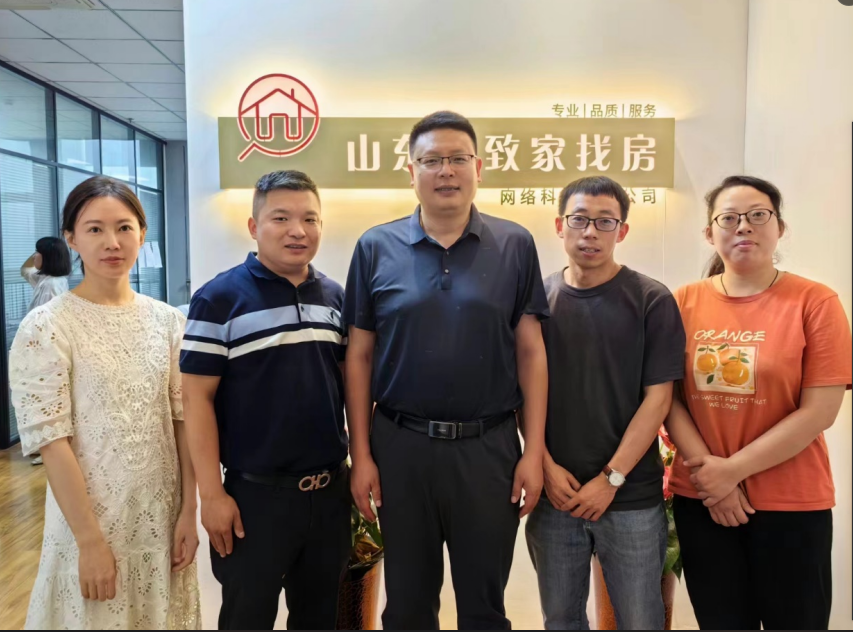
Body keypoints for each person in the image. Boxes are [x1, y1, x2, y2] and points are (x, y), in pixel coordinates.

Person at [344, 111, 549, 630]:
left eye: (458, 158)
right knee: (408, 606)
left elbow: (531, 352)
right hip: (401, 448)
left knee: (484, 606)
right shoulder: (375, 246)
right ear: (411, 170)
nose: (446, 171)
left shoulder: (515, 244)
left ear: (478, 167)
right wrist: (361, 454)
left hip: (489, 449)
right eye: (431, 160)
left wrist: (534, 452)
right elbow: (359, 356)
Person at [8, 176, 200, 630]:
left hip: (161, 521)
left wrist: (188, 512)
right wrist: (89, 542)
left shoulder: (169, 322)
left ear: (142, 234)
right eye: (94, 229)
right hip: (90, 525)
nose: (112, 242)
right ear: (71, 238)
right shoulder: (47, 326)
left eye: (124, 227)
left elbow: (183, 422)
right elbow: (53, 441)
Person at [665, 175, 852, 630]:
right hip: (703, 500)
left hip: (792, 502)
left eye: (757, 215)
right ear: (710, 233)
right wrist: (714, 480)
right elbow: (669, 399)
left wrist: (732, 471)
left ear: (779, 227)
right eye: (728, 218)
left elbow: (820, 411)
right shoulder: (682, 302)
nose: (743, 226)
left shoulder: (815, 302)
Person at [181, 170, 350, 630]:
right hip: (254, 499)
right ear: (254, 227)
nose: (298, 230)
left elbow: (347, 386)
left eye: (310, 219)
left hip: (329, 494)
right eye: (281, 218)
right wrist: (211, 494)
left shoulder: (336, 297)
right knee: (247, 617)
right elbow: (196, 400)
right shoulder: (218, 299)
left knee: (319, 618)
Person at [525, 176, 685, 630]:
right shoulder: (537, 303)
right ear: (560, 225)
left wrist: (610, 479)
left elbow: (658, 399)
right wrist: (545, 467)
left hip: (631, 499)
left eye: (605, 222)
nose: (590, 232)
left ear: (623, 230)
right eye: (579, 220)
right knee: (560, 619)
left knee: (641, 620)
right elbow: (522, 394)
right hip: (555, 498)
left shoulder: (651, 299)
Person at [20, 237, 72, 464]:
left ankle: (49, 449)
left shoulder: (53, 285)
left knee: (47, 400)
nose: (34, 256)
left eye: (38, 252)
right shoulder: (46, 279)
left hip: (46, 351)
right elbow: (25, 270)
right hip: (38, 349)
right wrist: (42, 251)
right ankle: (41, 445)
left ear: (48, 257)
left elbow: (52, 323)